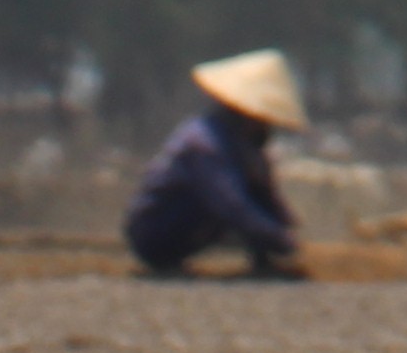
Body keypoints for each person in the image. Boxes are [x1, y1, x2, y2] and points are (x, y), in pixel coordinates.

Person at [124, 51, 305, 278]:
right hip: (155, 233)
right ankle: (166, 266)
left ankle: (264, 263)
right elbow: (231, 204)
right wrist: (278, 238)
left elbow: (265, 195)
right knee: (242, 207)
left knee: (254, 195)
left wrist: (285, 224)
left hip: (198, 224)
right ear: (246, 114)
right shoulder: (204, 145)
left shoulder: (243, 148)